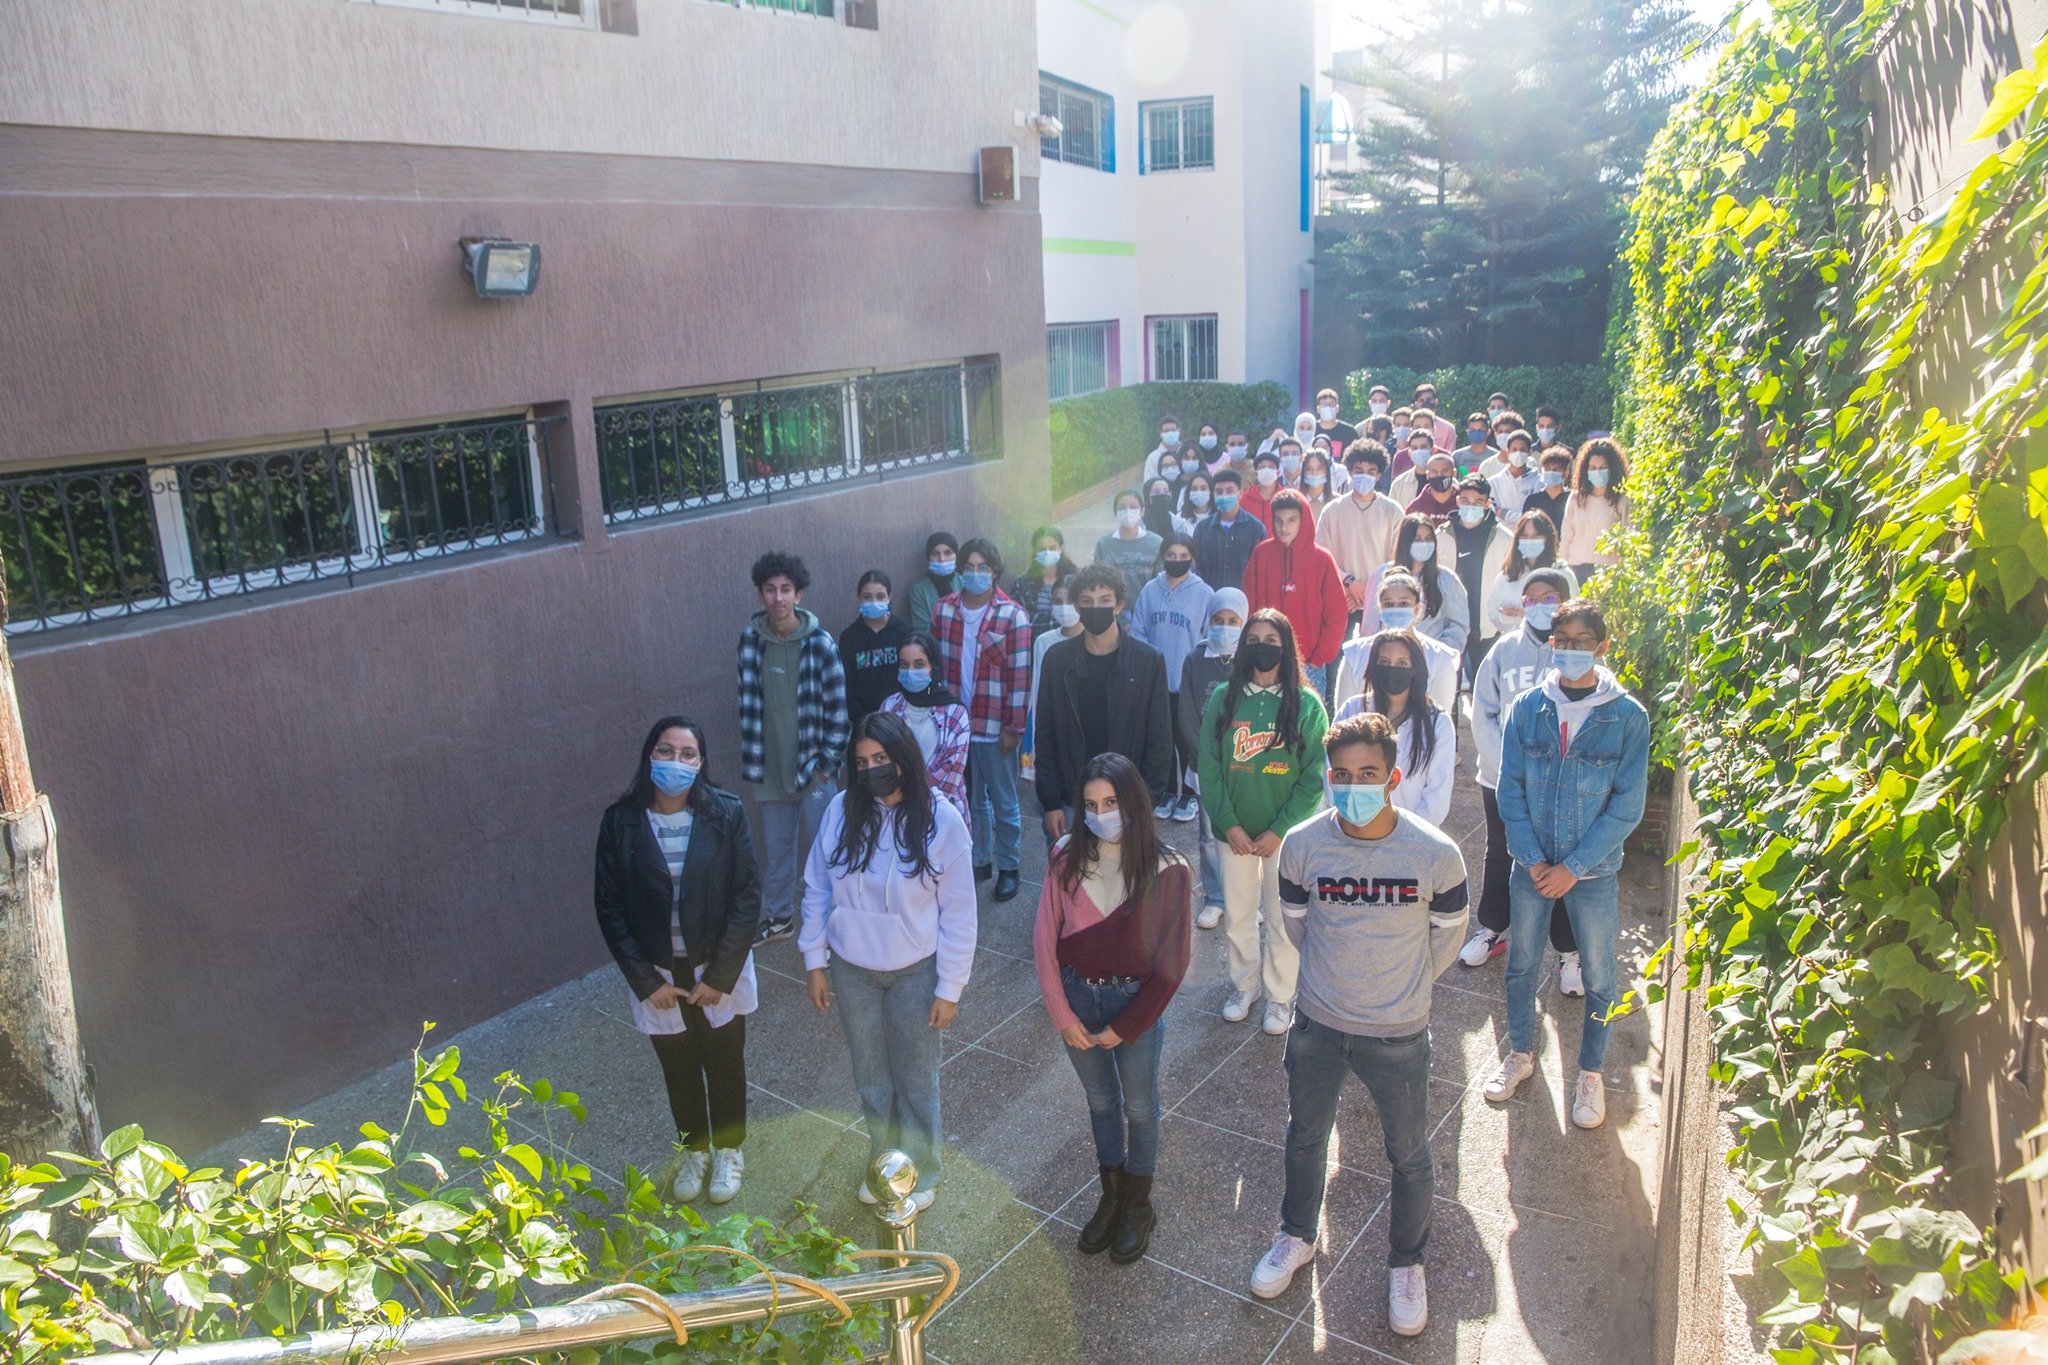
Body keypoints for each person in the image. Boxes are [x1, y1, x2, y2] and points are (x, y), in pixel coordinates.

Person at [1247, 713, 1469, 1339]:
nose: (1352, 786)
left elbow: (1446, 940)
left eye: (1367, 774)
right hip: (1317, 1023)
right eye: (1340, 775)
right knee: (1304, 1136)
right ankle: (1296, 1236)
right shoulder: (1304, 843)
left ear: (1394, 777)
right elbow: (1296, 924)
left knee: (1409, 1155)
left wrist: (1398, 988)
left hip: (1398, 1033)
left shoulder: (1436, 854)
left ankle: (1407, 1264)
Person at [1485, 599, 1650, 1131]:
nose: (1572, 650)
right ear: (1550, 643)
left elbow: (1627, 805)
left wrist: (1573, 868)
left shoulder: (1626, 717)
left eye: (1583, 641)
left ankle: (1591, 1072)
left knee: (1600, 977)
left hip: (1593, 874)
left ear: (1602, 647)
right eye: (1562, 639)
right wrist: (1533, 859)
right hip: (1529, 869)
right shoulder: (1527, 707)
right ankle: (1520, 1054)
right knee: (1521, 964)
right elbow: (1509, 790)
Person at [802, 713, 976, 1209]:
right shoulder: (840, 810)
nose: (872, 769)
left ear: (904, 759)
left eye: (881, 759)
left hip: (915, 972)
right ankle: (884, 1162)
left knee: (916, 1078)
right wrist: (815, 960)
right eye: (861, 762)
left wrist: (950, 988)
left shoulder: (942, 820)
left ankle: (922, 1173)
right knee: (872, 1078)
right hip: (852, 970)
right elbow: (816, 885)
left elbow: (960, 912)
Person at [595, 716, 762, 1206]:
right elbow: (610, 907)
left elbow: (747, 895)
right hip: (660, 974)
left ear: (702, 763)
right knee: (680, 1070)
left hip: (716, 968)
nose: (676, 762)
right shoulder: (620, 822)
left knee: (726, 1064)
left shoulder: (725, 813)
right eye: (666, 751)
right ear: (649, 757)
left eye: (688, 754)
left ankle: (729, 1150)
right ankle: (696, 1151)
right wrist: (646, 981)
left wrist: (722, 976)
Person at [1034, 753, 1193, 1265]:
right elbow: (1043, 940)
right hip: (1077, 998)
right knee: (1101, 1102)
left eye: (1112, 802)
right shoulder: (1064, 856)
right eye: (1091, 804)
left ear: (1134, 803)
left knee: (1140, 1106)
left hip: (1135, 1004)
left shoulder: (1169, 869)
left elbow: (1173, 964)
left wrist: (1126, 1027)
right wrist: (1063, 1015)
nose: (1102, 813)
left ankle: (1138, 1205)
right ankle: (1111, 1194)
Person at [1197, 608, 1329, 1035]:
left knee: (1281, 917)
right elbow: (1210, 767)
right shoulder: (1224, 698)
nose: (1262, 646)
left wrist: (1281, 829)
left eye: (1272, 640)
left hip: (1284, 837)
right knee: (1237, 913)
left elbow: (1312, 779)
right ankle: (1244, 985)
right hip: (1231, 832)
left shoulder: (1306, 705)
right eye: (1254, 638)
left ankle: (1278, 995)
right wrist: (1229, 824)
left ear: (1286, 647)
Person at [1465, 568, 1579, 978]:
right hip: (1502, 779)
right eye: (1531, 599)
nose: (1539, 606)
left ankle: (1569, 951)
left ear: (1565, 601)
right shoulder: (1502, 651)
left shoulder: (1574, 654)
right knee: (1501, 853)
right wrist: (1508, 771)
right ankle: (1493, 929)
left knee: (1561, 860)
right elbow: (1484, 713)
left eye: (1549, 598)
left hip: (1559, 783)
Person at [737, 551, 847, 947]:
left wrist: (827, 765)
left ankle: (836, 923)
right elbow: (746, 702)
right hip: (772, 771)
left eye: (786, 589)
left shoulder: (820, 644)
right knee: (777, 851)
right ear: (761, 594)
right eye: (770, 590)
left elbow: (838, 710)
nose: (778, 598)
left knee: (827, 850)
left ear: (798, 595)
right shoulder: (751, 641)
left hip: (815, 770)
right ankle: (779, 917)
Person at [1035, 564, 1175, 839]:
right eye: (1087, 601)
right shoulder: (1057, 659)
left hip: (1126, 802)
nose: (1095, 608)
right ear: (1076, 605)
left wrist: (1144, 802)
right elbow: (1045, 733)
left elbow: (1160, 738)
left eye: (1104, 601)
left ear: (1119, 605)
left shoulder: (1148, 661)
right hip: (1070, 799)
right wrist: (1050, 802)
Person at [931, 539, 1033, 901]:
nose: (975, 575)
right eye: (969, 568)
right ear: (960, 571)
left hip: (995, 727)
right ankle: (979, 859)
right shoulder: (943, 611)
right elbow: (937, 667)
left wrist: (1013, 727)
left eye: (983, 568)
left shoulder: (1012, 615)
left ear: (994, 571)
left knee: (1004, 800)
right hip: (957, 726)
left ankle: (1009, 866)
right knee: (970, 798)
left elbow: (1020, 678)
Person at [1331, 630, 1455, 826]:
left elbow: (1437, 795)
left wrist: (1405, 835)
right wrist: (1353, 825)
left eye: (1402, 663)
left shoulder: (1438, 722)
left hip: (1413, 838)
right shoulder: (1351, 710)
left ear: (1415, 668)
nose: (1392, 669)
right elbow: (1331, 773)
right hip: (1353, 831)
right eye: (1384, 662)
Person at [1176, 587, 1244, 931]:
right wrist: (1204, 756)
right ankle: (1215, 898)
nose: (1225, 627)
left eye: (1233, 621)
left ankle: (1243, 899)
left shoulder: (1251, 659)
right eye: (1218, 620)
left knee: (1244, 833)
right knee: (1209, 835)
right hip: (1205, 766)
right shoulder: (1195, 659)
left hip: (1245, 767)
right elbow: (1187, 713)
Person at [1131, 534, 1210, 821]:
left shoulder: (1204, 594)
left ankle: (1188, 796)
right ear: (1163, 556)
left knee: (1187, 741)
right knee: (1160, 741)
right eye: (1171, 555)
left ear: (1192, 558)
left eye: (1183, 555)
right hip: (1156, 680)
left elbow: (1207, 637)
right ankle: (1166, 791)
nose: (1177, 560)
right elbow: (1138, 631)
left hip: (1187, 680)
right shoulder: (1150, 591)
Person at [1242, 490, 1347, 695]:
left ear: (1304, 519)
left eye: (1291, 520)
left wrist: (1319, 658)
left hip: (1309, 664)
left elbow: (1336, 613)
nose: (1284, 527)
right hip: (1265, 660)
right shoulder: (1261, 554)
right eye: (1279, 520)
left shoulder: (1322, 559)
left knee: (1308, 724)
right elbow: (1248, 604)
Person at [1332, 571, 1461, 716]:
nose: (1396, 608)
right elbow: (1344, 714)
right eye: (1389, 604)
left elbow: (1439, 717)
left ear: (1417, 608)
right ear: (1380, 608)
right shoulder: (1355, 653)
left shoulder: (1440, 657)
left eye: (1404, 603)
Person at [880, 632, 970, 825]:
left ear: (933, 668)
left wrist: (912, 800)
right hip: (894, 814)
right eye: (904, 665)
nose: (910, 671)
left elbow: (951, 771)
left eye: (919, 665)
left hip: (943, 815)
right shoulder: (889, 706)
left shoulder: (955, 712)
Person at [1358, 515, 1471, 654]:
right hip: (1387, 658)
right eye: (1417, 539)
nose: (1424, 544)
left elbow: (1459, 624)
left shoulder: (1447, 579)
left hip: (1431, 661)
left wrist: (1438, 653)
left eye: (1429, 539)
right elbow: (1370, 625)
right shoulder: (1381, 575)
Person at [1319, 441, 1405, 621]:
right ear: (1350, 472)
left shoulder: (1393, 511)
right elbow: (1322, 556)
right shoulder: (1332, 510)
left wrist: (1371, 594)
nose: (1364, 476)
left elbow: (1397, 559)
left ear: (1379, 475)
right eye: (1358, 471)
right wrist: (1348, 582)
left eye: (1371, 472)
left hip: (1382, 603)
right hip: (1342, 601)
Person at [1448, 476, 1511, 686]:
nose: (1470, 506)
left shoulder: (1503, 537)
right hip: (1451, 621)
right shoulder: (1443, 534)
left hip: (1486, 624)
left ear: (1487, 504)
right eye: (1465, 500)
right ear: (1457, 500)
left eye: (1477, 502)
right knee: (1449, 684)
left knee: (1484, 683)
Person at [1484, 511, 1579, 639]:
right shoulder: (1507, 575)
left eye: (1536, 536)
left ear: (1548, 538)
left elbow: (1574, 613)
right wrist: (1509, 617)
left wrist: (1529, 616)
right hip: (1514, 644)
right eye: (1524, 536)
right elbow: (1492, 611)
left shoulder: (1562, 573)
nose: (1529, 541)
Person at [1025, 574, 1082, 785]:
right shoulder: (1044, 642)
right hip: (1054, 732)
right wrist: (1031, 756)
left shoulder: (1095, 641)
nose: (1064, 607)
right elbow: (1037, 695)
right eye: (1058, 601)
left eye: (1070, 601)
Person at [839, 570, 910, 725]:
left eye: (880, 596)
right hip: (865, 723)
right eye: (867, 597)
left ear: (889, 597)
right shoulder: (849, 638)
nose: (873, 602)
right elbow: (848, 686)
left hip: (903, 720)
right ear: (859, 598)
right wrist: (862, 721)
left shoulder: (905, 633)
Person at [1558, 437, 1632, 584]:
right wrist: (1560, 568)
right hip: (1576, 570)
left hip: (1607, 574)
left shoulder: (1622, 501)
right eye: (1593, 468)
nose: (1597, 472)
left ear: (1613, 469)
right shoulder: (1575, 499)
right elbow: (1566, 537)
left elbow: (1629, 539)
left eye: (1603, 467)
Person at [1192, 468, 1266, 592]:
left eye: (1230, 491)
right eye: (1219, 492)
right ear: (1213, 494)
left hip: (1244, 601)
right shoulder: (1202, 529)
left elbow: (1261, 570)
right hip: (1211, 600)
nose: (1224, 496)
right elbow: (1196, 569)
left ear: (1240, 493)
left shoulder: (1256, 529)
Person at [1095, 488, 1165, 608]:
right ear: (1116, 512)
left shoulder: (1156, 543)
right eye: (1122, 507)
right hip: (1113, 613)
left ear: (1142, 511)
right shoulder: (1104, 544)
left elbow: (1161, 583)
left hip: (1148, 610)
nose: (1127, 511)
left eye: (1133, 507)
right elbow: (1099, 583)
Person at [1011, 526, 1078, 637]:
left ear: (1060, 548)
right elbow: (1021, 622)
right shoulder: (1022, 584)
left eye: (1052, 548)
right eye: (1042, 549)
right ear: (1034, 551)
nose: (1047, 553)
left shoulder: (1076, 579)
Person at [908, 533, 960, 632]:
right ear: (928, 557)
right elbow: (923, 628)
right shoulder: (918, 591)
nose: (942, 559)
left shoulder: (966, 583)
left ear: (956, 555)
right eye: (935, 554)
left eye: (948, 553)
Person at [1525, 446, 1574, 533]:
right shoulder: (1532, 501)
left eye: (1556, 470)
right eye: (1547, 469)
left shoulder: (1572, 500)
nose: (1551, 473)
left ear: (1565, 473)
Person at [1404, 450, 1461, 522]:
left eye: (1445, 471)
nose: (1440, 475)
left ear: (1454, 473)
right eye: (1434, 472)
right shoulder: (1415, 508)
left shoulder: (1464, 502)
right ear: (1427, 475)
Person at [1241, 448, 1284, 531]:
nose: (1267, 471)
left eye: (1271, 467)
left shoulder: (1286, 498)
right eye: (1262, 467)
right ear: (1256, 474)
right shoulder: (1245, 499)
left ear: (1278, 473)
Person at [1141, 414, 1187, 481]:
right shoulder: (1153, 458)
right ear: (1161, 434)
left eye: (1173, 430)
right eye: (1166, 431)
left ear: (1179, 431)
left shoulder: (1187, 452)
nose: (1170, 433)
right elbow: (1149, 485)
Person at [1409, 385, 1456, 450]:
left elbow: (1449, 455)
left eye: (1429, 399)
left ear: (1435, 401)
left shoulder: (1448, 429)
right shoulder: (1409, 427)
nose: (1425, 403)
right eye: (1421, 400)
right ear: (1416, 404)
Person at [1312, 387, 1357, 451]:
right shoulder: (1311, 429)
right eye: (1323, 405)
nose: (1327, 407)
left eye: (1331, 404)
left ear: (1337, 408)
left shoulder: (1349, 432)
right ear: (1318, 409)